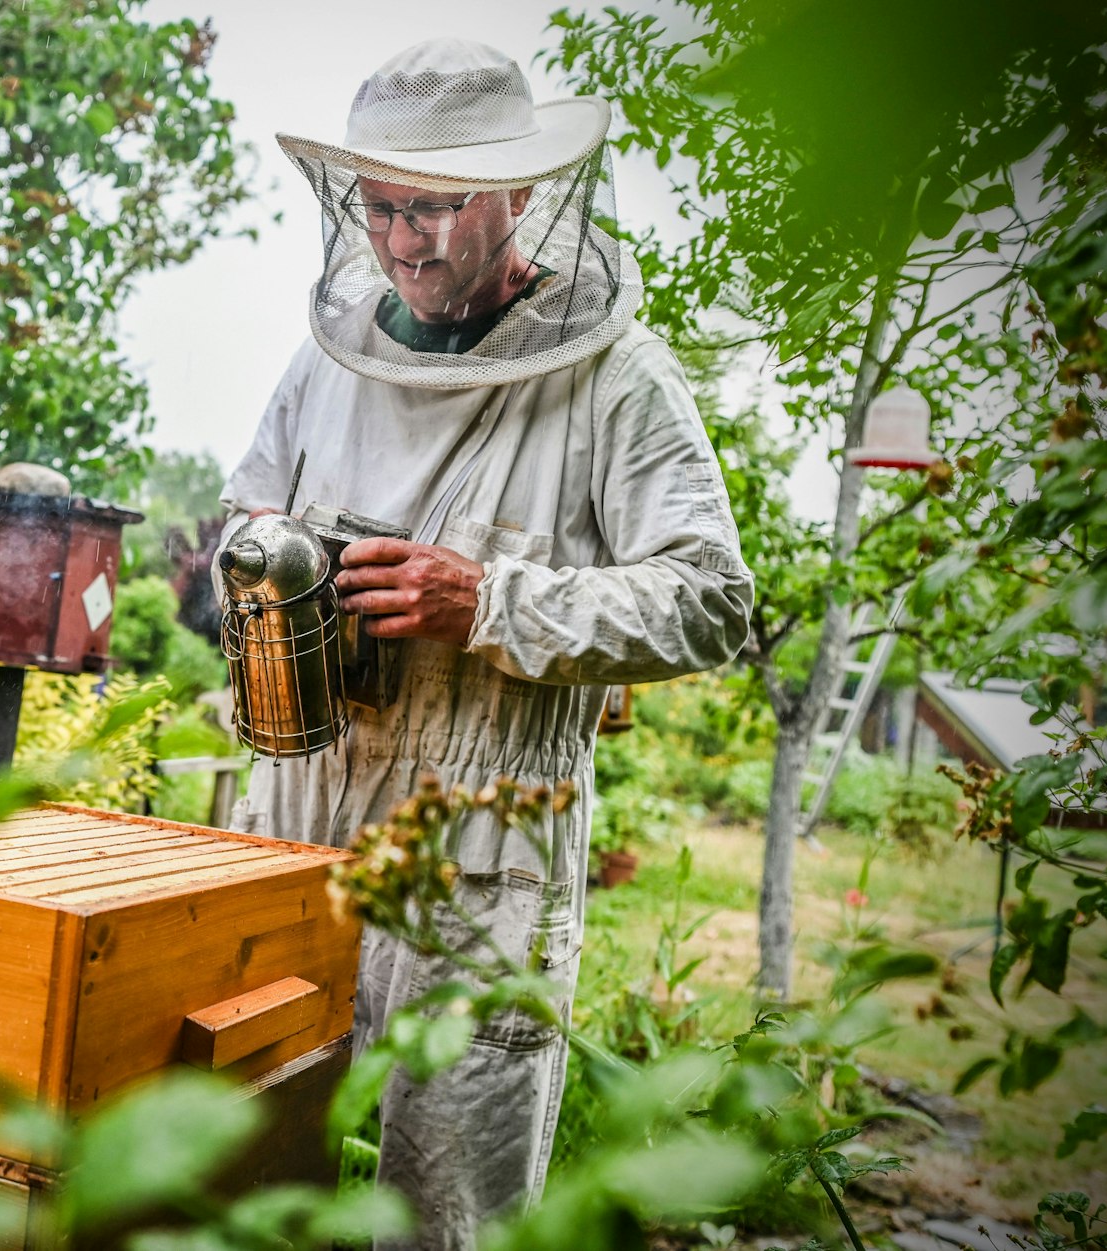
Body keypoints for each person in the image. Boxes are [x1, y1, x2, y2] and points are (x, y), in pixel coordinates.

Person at [219, 38, 754, 1248]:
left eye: (434, 209)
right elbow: (246, 502)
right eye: (379, 208)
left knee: (444, 1209)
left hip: (479, 851)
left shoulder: (618, 378)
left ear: (517, 193)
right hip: (296, 815)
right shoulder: (326, 359)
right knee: (257, 1177)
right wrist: (263, 560)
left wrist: (491, 601)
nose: (402, 241)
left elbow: (710, 600)